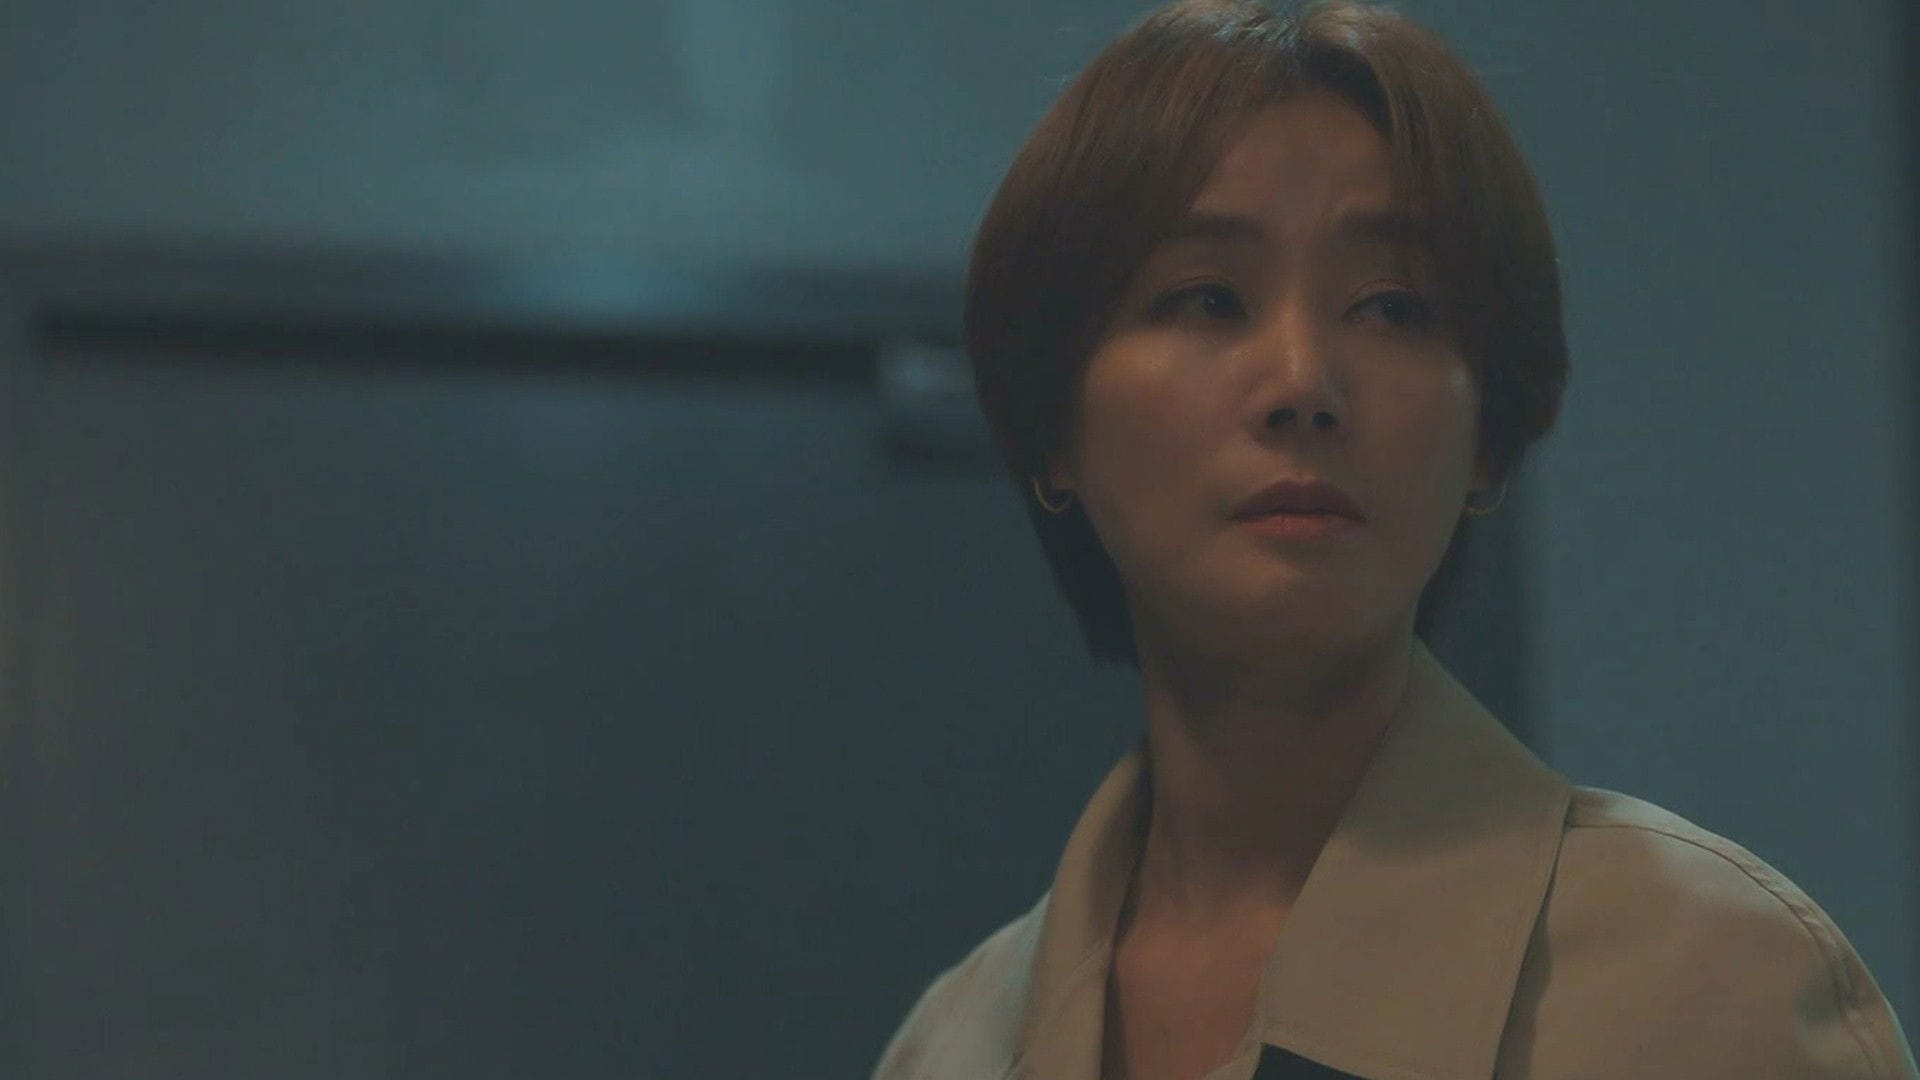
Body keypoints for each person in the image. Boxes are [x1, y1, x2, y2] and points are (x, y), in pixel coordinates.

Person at [868, 0, 1919, 1078]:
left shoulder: (1711, 984)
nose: (1303, 383)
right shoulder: (951, 1049)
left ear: (1486, 434)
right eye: (1207, 298)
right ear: (1053, 423)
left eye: (1392, 308)